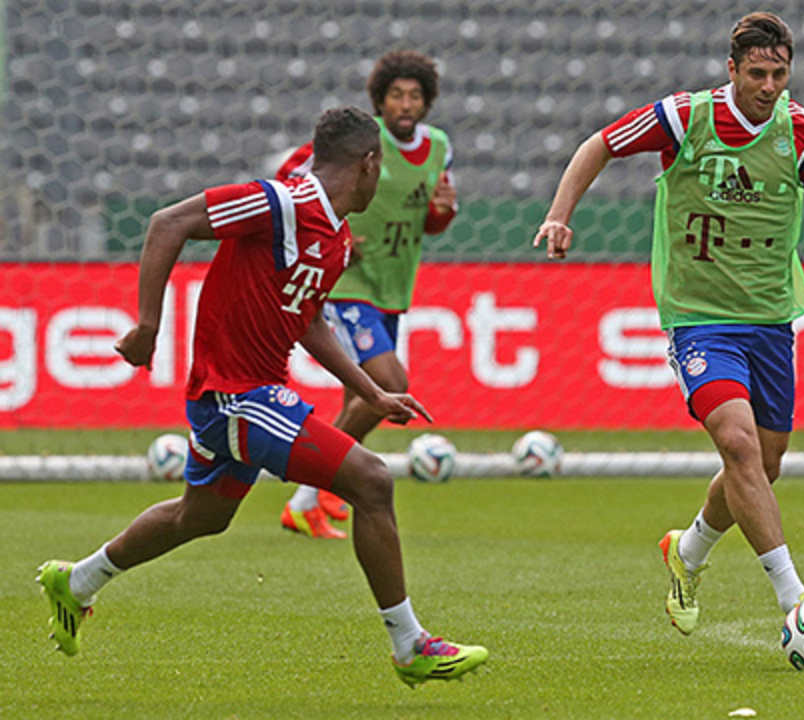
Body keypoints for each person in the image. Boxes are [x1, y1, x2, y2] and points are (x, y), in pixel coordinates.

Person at [36, 107, 487, 685]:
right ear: (369, 163)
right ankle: (410, 645)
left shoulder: (336, 237)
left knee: (200, 517)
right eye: (382, 168)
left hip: (251, 393)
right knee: (371, 481)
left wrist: (371, 392)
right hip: (234, 395)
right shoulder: (280, 202)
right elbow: (168, 222)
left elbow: (308, 321)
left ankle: (77, 581)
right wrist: (148, 325)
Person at [533, 12, 804, 635]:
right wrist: (560, 215)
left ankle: (689, 550)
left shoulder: (802, 133)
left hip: (769, 318)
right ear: (732, 70)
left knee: (763, 466)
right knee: (738, 444)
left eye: (779, 74)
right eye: (757, 73)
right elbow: (599, 145)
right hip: (699, 317)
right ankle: (796, 601)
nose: (769, 86)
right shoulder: (684, 116)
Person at [275, 50, 458, 540]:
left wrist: (444, 212)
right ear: (380, 99)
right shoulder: (361, 139)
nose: (406, 104)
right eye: (396, 95)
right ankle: (310, 491)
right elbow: (288, 178)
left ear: (427, 101)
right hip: (347, 284)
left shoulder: (439, 147)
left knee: (359, 399)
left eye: (414, 95)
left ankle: (314, 500)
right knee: (389, 384)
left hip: (393, 286)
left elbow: (430, 219)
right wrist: (325, 231)